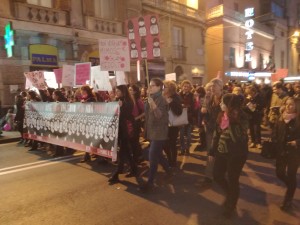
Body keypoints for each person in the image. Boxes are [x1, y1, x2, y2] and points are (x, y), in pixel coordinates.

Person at [209, 93, 249, 218]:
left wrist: (231, 121)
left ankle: (231, 205)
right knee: (217, 175)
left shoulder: (242, 117)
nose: (220, 104)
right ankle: (230, 194)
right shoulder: (221, 115)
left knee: (233, 180)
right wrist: (212, 151)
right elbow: (216, 134)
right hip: (222, 151)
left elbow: (239, 138)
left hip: (237, 154)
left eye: (223, 103)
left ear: (229, 105)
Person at [139, 78, 172, 192]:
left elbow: (159, 116)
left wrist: (153, 105)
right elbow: (147, 115)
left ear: (159, 87)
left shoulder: (161, 100)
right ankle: (169, 171)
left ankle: (150, 182)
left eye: (152, 86)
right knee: (159, 155)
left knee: (153, 156)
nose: (150, 88)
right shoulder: (150, 98)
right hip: (152, 131)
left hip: (159, 132)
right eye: (149, 86)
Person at [272, 97, 300, 211]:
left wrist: (297, 142)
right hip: (281, 151)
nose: (289, 107)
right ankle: (292, 186)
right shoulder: (281, 118)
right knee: (279, 173)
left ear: (296, 106)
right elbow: (275, 132)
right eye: (287, 104)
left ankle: (288, 200)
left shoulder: (298, 119)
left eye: (291, 105)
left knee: (291, 174)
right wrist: (274, 141)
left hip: (295, 152)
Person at [108, 85, 137, 183]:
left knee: (122, 152)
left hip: (126, 129)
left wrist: (121, 106)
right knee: (127, 152)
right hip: (119, 129)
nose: (117, 93)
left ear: (123, 91)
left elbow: (127, 114)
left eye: (118, 91)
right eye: (116, 91)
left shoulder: (128, 101)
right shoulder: (117, 99)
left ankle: (116, 174)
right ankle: (134, 169)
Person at [163, 80, 183, 167]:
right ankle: (169, 158)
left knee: (172, 143)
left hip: (173, 125)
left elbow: (179, 112)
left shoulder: (176, 97)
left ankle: (173, 161)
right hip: (164, 124)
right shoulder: (163, 96)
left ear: (170, 88)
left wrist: (171, 103)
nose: (163, 88)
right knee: (164, 143)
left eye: (165, 87)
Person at [79, 85, 97, 162]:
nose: (82, 92)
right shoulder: (84, 99)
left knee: (92, 138)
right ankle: (87, 155)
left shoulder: (92, 99)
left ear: (87, 91)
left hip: (91, 121)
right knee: (86, 138)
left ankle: (98, 155)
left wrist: (86, 103)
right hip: (85, 121)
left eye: (84, 91)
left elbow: (94, 108)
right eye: (81, 91)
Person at [179, 80, 194, 155]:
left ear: (190, 88)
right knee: (181, 135)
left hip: (189, 118)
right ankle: (182, 148)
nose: (186, 88)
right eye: (184, 86)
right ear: (182, 87)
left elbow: (194, 106)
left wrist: (187, 107)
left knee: (188, 135)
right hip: (181, 118)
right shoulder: (179, 95)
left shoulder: (192, 95)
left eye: (188, 87)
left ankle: (187, 148)